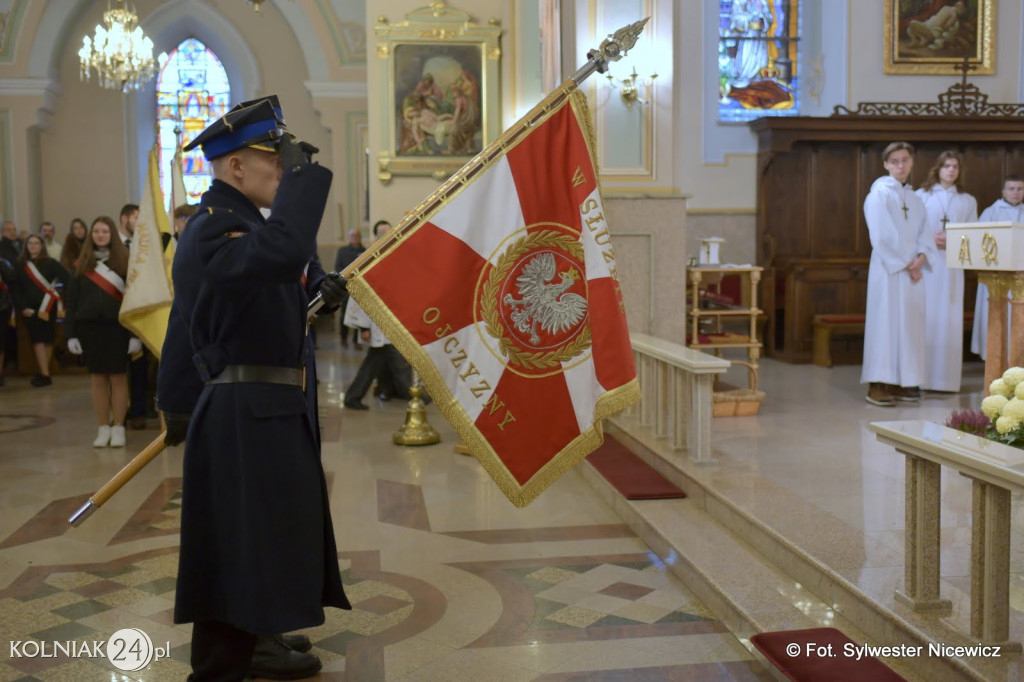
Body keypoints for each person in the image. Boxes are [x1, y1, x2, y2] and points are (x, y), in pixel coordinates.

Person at [156, 94, 350, 681]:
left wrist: (314, 298)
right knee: (237, 553)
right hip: (243, 415)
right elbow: (285, 250)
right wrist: (305, 177)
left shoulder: (242, 225)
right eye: (275, 159)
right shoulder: (213, 229)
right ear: (236, 165)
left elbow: (258, 313)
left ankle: (255, 640)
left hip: (262, 410)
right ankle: (219, 668)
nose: (283, 170)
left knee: (257, 545)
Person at [861, 141, 933, 407]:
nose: (900, 165)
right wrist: (907, 263)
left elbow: (925, 231)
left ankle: (903, 381)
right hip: (888, 270)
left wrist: (922, 257)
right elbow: (881, 235)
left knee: (908, 327)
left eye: (905, 160)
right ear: (886, 164)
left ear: (912, 162)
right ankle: (878, 384)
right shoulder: (879, 194)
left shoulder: (915, 199)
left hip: (912, 271)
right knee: (886, 324)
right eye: (895, 161)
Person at [64, 216, 138, 447]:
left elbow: (133, 300)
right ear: (91, 235)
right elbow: (72, 303)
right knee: (97, 379)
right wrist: (71, 334)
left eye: (105, 231)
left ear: (112, 234)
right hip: (90, 329)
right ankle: (103, 427)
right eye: (96, 231)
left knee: (118, 378)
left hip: (117, 329)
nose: (100, 235)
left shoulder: (124, 262)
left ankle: (118, 427)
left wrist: (135, 335)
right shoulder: (81, 265)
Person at [915, 151, 977, 392]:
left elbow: (973, 234)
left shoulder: (967, 200)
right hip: (928, 264)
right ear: (937, 169)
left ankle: (946, 381)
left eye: (955, 167)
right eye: (946, 166)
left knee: (949, 318)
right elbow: (915, 230)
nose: (951, 170)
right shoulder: (922, 196)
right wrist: (931, 238)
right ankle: (921, 378)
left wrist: (954, 240)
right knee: (927, 317)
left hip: (952, 266)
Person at [971, 174, 1024, 360]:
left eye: (1020, 188)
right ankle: (994, 359)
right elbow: (981, 244)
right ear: (1003, 191)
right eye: (1011, 188)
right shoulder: (991, 213)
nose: (1016, 193)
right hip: (997, 276)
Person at [12, 234, 69, 387]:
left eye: (36, 243)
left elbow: (67, 279)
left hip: (48, 307)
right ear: (26, 246)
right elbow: (15, 289)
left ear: (42, 246)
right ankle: (45, 374)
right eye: (30, 243)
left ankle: (45, 372)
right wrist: (23, 307)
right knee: (38, 340)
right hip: (31, 309)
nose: (33, 246)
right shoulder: (20, 265)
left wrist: (57, 293)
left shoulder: (51, 263)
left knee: (48, 340)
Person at [333, 226, 367, 347]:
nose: (355, 238)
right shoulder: (342, 251)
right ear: (349, 237)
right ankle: (343, 337)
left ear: (360, 237)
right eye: (352, 236)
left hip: (359, 287)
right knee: (344, 313)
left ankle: (356, 340)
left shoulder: (364, 250)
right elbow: (338, 267)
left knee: (358, 314)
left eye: (357, 236)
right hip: (345, 287)